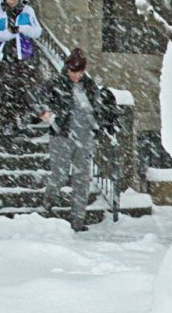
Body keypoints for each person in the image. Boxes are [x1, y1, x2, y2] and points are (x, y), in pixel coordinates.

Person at [38, 48, 118, 232]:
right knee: (59, 175)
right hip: (62, 135)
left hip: (85, 136)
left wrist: (103, 123)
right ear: (67, 69)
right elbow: (36, 96)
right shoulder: (56, 83)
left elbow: (97, 107)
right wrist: (43, 112)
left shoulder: (90, 86)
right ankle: (46, 207)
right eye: (73, 71)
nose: (76, 75)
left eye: (80, 72)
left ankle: (78, 220)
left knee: (82, 180)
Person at [0, 0, 43, 137]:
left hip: (23, 56)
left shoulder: (28, 11)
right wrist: (9, 33)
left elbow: (37, 31)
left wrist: (22, 29)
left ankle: (19, 121)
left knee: (22, 91)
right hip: (3, 56)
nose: (13, 0)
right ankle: (6, 122)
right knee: (4, 91)